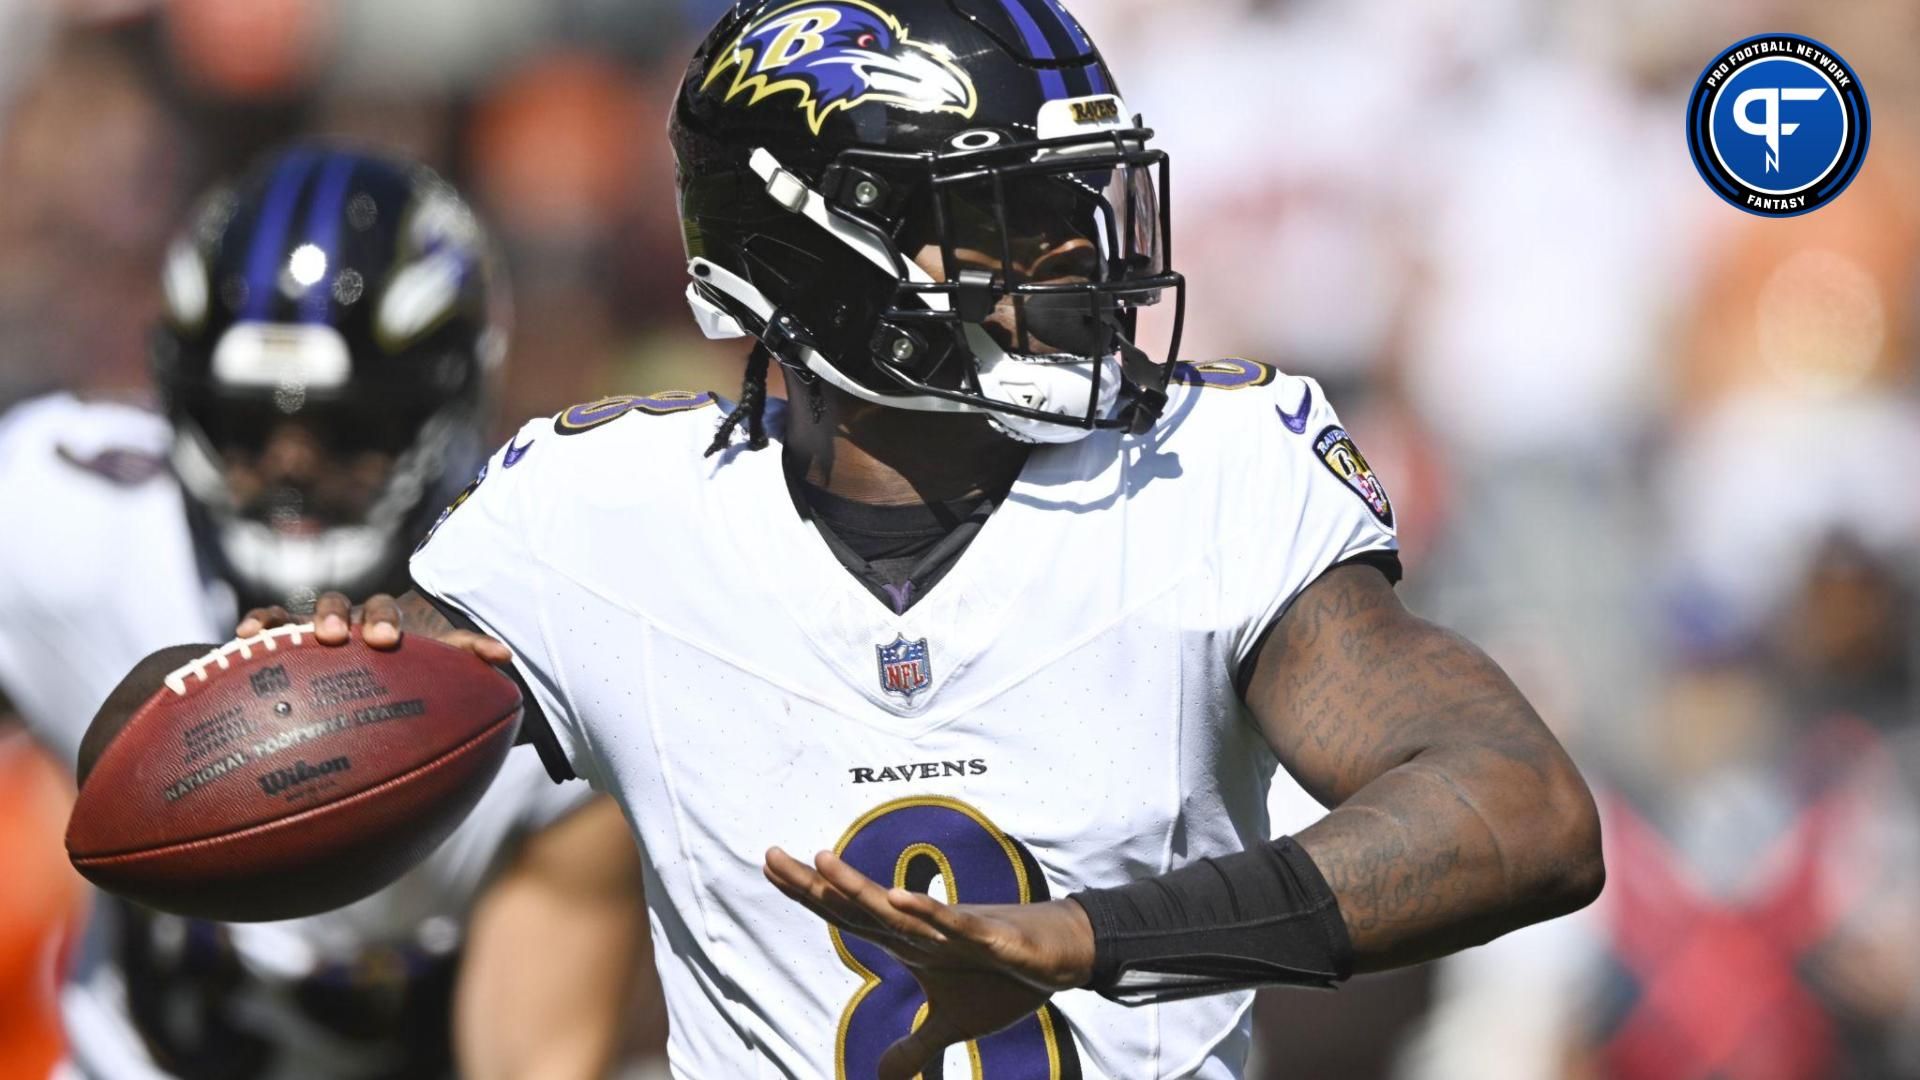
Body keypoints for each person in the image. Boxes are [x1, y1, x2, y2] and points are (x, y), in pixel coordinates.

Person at [134, 3, 1601, 1077]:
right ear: (815, 259)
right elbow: (202, 754)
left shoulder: (1199, 469)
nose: (1080, 255)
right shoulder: (595, 522)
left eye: (1078, 205)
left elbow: (1521, 814)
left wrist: (1092, 939)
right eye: (1009, 219)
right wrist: (236, 700)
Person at [0, 144, 644, 1080]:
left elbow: (528, 1058)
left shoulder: (549, 634)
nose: (291, 464)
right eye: (246, 422)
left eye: (349, 427)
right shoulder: (62, 521)